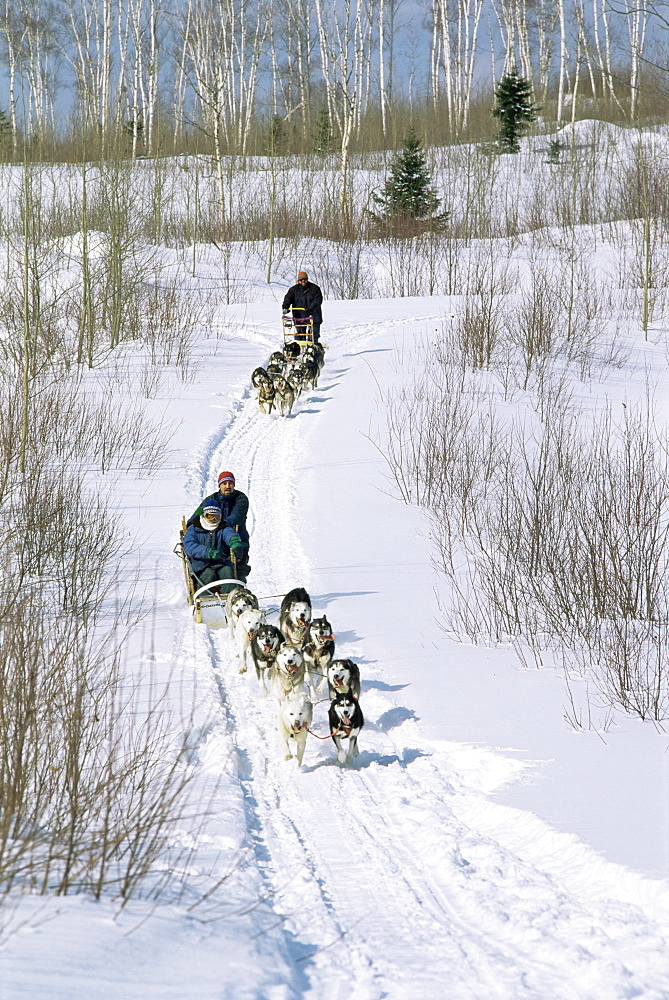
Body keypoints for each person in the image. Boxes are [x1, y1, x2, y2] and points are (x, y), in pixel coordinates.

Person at [187, 470, 250, 570]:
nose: (227, 486)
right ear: (219, 485)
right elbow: (198, 515)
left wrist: (217, 525)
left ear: (234, 485)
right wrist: (190, 526)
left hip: (238, 538)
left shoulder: (241, 499)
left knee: (239, 569)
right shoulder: (211, 500)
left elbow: (235, 517)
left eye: (230, 483)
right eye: (224, 483)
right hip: (215, 540)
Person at [183, 503, 247, 589]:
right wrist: (210, 553)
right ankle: (204, 598)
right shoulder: (194, 529)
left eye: (217, 516)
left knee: (227, 572)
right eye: (210, 516)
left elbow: (229, 534)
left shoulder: (223, 527)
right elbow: (190, 546)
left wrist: (235, 543)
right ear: (203, 516)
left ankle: (229, 596)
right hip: (201, 564)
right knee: (209, 575)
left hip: (221, 562)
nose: (214, 519)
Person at [282, 271, 323, 342]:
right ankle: (300, 351)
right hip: (299, 316)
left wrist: (311, 308)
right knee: (300, 336)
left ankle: (314, 351)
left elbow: (318, 300)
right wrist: (285, 307)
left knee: (313, 337)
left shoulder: (314, 288)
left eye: (305, 279)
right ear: (298, 281)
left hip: (313, 315)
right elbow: (288, 299)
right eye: (301, 280)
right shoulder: (293, 290)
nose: (303, 281)